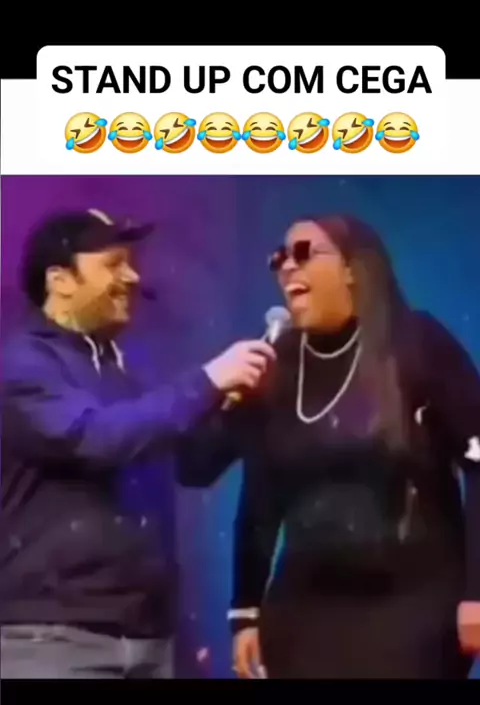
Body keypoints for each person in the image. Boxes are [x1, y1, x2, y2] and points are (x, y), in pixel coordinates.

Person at [177, 214, 480, 678]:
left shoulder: (416, 342)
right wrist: (245, 611)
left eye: (303, 253)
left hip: (413, 604)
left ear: (353, 268)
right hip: (305, 608)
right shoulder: (276, 360)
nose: (286, 266)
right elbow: (209, 474)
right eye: (279, 258)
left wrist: (476, 594)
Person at [0, 208, 275, 678]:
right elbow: (93, 437)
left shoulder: (120, 372)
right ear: (60, 280)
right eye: (113, 264)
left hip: (145, 639)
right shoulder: (25, 363)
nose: (131, 277)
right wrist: (207, 380)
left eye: (130, 264)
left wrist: (239, 408)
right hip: (52, 641)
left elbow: (191, 466)